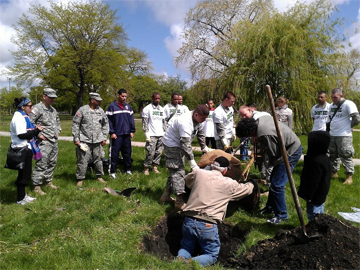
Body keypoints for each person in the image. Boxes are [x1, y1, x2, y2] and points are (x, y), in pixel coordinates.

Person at [177, 156, 257, 267]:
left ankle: (178, 262)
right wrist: (252, 183)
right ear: (225, 170)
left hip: (189, 219)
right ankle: (187, 265)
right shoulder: (229, 183)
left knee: (186, 247)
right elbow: (246, 190)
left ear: (211, 165)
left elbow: (188, 180)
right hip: (207, 224)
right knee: (212, 255)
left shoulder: (199, 173)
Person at [236, 116, 302, 224]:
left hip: (291, 151)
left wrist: (268, 166)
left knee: (277, 185)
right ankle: (270, 208)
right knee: (273, 181)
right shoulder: (259, 120)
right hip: (286, 146)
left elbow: (274, 154)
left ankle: (281, 215)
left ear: (250, 132)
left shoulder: (264, 134)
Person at [160, 104, 210, 210]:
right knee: (178, 171)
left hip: (180, 144)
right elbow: (185, 145)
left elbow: (200, 134)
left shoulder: (199, 119)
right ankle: (179, 201)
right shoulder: (185, 122)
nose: (204, 121)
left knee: (174, 170)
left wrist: (204, 147)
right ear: (196, 114)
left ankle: (165, 195)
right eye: (202, 118)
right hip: (172, 144)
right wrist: (192, 163)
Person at [10, 97, 44, 205]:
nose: (31, 107)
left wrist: (35, 130)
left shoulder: (24, 116)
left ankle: (23, 196)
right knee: (24, 175)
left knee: (25, 174)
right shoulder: (19, 118)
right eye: (29, 106)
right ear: (22, 107)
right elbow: (21, 135)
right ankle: (20, 199)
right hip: (22, 148)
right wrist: (36, 131)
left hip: (26, 148)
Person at [72, 92, 109, 187]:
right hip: (84, 140)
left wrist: (104, 137)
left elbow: (105, 124)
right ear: (92, 100)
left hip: (97, 141)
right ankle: (80, 178)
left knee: (99, 159)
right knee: (83, 161)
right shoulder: (82, 110)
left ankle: (99, 176)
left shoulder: (100, 111)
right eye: (98, 100)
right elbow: (75, 124)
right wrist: (76, 138)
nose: (100, 102)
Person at [30, 88, 61, 195]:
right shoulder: (36, 109)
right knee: (41, 163)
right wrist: (38, 134)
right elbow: (29, 123)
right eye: (50, 97)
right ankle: (36, 186)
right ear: (44, 96)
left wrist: (58, 131)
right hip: (42, 141)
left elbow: (57, 121)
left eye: (54, 98)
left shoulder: (53, 110)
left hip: (53, 140)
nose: (53, 99)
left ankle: (48, 181)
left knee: (52, 162)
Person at [327, 88, 360, 184]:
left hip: (344, 135)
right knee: (332, 155)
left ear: (341, 96)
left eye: (335, 97)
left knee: (345, 155)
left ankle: (349, 176)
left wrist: (349, 126)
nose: (333, 99)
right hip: (332, 134)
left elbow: (357, 118)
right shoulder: (331, 105)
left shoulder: (348, 104)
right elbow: (329, 119)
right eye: (332, 97)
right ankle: (333, 172)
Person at [298, 131, 331, 221]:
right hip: (320, 194)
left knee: (314, 216)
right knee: (319, 214)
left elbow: (313, 181)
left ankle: (314, 230)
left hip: (314, 196)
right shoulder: (324, 158)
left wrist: (309, 196)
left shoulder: (316, 162)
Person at [106, 89, 136, 178]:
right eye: (122, 96)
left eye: (125, 96)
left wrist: (131, 131)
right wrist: (112, 132)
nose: (124, 98)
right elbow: (108, 121)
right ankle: (112, 171)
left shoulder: (128, 107)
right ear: (118, 95)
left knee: (127, 152)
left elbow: (131, 120)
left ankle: (128, 169)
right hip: (116, 135)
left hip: (126, 134)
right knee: (114, 153)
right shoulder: (112, 107)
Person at [142, 92, 166, 175]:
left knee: (159, 152)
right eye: (156, 98)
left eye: (159, 98)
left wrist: (165, 133)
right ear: (152, 98)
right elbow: (145, 123)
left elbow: (164, 122)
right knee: (150, 152)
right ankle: (146, 168)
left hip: (161, 134)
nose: (157, 100)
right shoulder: (147, 109)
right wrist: (146, 135)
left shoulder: (162, 109)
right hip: (151, 134)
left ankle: (155, 167)